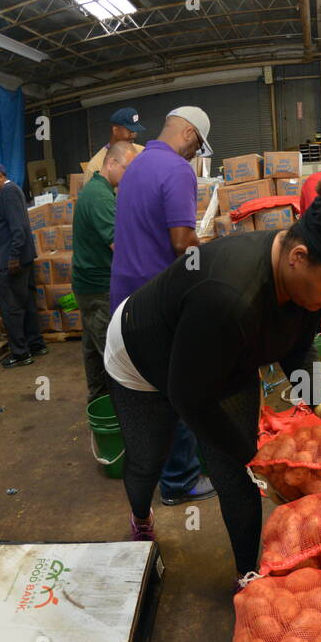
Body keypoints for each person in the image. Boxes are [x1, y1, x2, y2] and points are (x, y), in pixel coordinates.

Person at [102, 196, 321, 578]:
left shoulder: (305, 280)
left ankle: (247, 574)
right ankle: (140, 516)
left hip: (219, 351)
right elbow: (188, 396)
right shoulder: (228, 295)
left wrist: (320, 400)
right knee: (149, 455)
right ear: (298, 257)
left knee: (236, 475)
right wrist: (249, 456)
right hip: (143, 353)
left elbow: (297, 344)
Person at [110, 106, 215, 505]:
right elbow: (182, 242)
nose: (196, 155)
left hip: (127, 300)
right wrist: (207, 271)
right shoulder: (176, 169)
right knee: (180, 386)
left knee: (152, 390)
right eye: (198, 146)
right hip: (157, 302)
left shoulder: (136, 165)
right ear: (188, 134)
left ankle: (164, 470)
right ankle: (180, 481)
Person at [71, 140, 131, 403]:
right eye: (127, 168)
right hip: (98, 288)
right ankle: (123, 411)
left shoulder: (99, 190)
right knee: (113, 355)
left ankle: (98, 401)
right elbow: (119, 244)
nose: (129, 175)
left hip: (88, 285)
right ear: (112, 163)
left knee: (93, 352)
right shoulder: (99, 196)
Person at [0, 162, 45, 368]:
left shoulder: (8, 193)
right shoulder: (9, 193)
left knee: (11, 308)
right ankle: (35, 344)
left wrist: (13, 257)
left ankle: (20, 353)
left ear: (0, 176)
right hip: (21, 258)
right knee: (26, 302)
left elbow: (18, 228)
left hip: (14, 262)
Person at [84, 106, 146, 176]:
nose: (134, 135)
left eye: (135, 131)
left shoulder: (143, 152)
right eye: (130, 131)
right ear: (116, 130)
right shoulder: (96, 165)